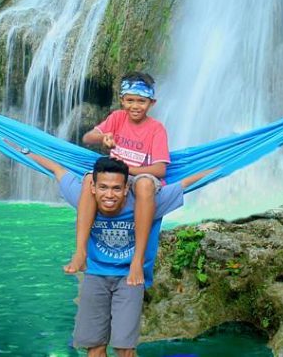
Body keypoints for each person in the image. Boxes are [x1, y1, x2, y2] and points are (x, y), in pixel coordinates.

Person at [21, 151, 211, 357]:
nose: (109, 195)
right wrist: (21, 148)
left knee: (125, 349)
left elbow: (186, 183)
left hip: (130, 277)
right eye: (103, 187)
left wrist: (229, 159)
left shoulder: (146, 204)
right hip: (95, 275)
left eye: (116, 188)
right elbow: (57, 169)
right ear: (92, 188)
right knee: (94, 348)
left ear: (126, 188)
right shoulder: (84, 199)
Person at [66, 72, 169, 286]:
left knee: (143, 184)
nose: (135, 106)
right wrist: (103, 137)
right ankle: (80, 252)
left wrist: (129, 170)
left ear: (152, 103)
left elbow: (160, 169)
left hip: (142, 178)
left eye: (141, 101)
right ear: (122, 100)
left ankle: (137, 261)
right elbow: (87, 137)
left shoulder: (156, 129)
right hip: (115, 178)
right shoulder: (117, 118)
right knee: (89, 180)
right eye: (130, 100)